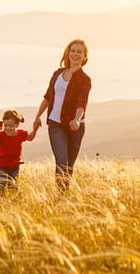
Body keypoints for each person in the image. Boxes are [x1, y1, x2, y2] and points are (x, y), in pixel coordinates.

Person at [32, 39, 92, 191]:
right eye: (73, 51)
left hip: (75, 127)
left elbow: (82, 103)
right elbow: (47, 97)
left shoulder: (85, 79)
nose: (75, 54)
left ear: (84, 56)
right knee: (61, 162)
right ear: (68, 53)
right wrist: (38, 116)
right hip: (55, 124)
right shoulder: (57, 74)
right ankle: (61, 195)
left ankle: (64, 197)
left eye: (79, 51)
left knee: (69, 166)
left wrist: (76, 120)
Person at [0, 109, 38, 194]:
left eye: (11, 126)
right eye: (6, 126)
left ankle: (12, 203)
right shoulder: (1, 135)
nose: (8, 128)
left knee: (13, 188)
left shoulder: (21, 134)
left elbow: (30, 138)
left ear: (17, 125)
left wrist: (35, 130)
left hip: (15, 166)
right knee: (0, 188)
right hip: (2, 166)